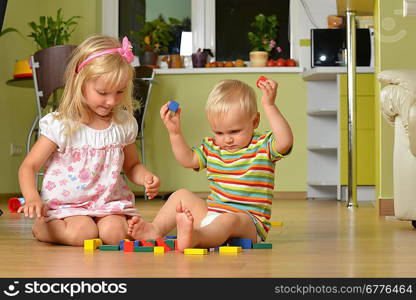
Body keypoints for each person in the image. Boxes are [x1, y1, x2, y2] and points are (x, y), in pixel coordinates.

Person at [18, 35, 160, 246]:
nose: (111, 101)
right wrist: (32, 198)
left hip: (107, 202)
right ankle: (43, 228)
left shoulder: (123, 124)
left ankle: (103, 226)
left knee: (115, 234)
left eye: (120, 92)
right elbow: (29, 166)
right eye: (102, 92)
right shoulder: (62, 124)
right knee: (83, 233)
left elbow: (132, 165)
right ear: (80, 83)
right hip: (67, 206)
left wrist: (145, 177)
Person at [128, 78, 293, 251]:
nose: (227, 139)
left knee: (230, 219)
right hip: (212, 214)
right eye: (219, 132)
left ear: (255, 121)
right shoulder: (213, 146)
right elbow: (188, 159)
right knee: (180, 195)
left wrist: (269, 105)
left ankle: (196, 237)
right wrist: (174, 133)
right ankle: (155, 229)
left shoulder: (262, 145)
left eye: (235, 131)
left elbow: (285, 141)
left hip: (248, 223)